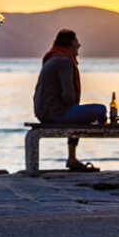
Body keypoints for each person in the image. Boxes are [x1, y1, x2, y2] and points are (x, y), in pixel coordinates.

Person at [33, 29, 107, 172]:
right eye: (76, 42)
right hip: (56, 113)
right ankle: (71, 158)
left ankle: (72, 158)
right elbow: (68, 94)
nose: (79, 45)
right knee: (100, 109)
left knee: (82, 115)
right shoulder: (64, 61)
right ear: (69, 44)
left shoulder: (54, 58)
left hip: (44, 111)